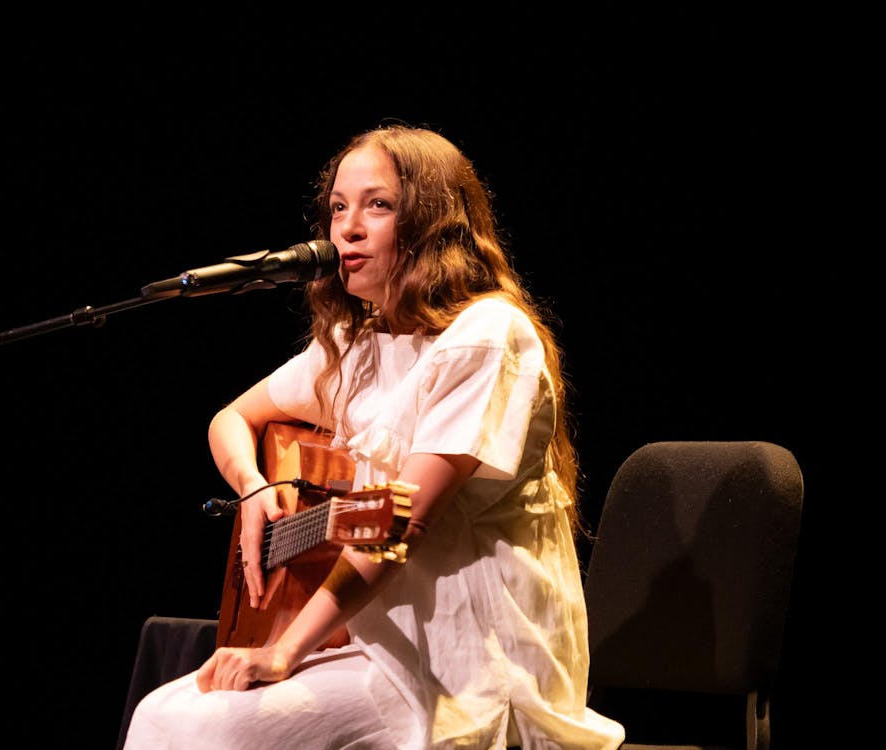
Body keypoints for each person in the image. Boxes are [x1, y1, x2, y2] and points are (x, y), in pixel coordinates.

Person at [122, 123, 625, 749]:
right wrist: (253, 488)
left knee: (207, 728)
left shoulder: (488, 333)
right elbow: (231, 418)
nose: (346, 229)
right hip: (378, 645)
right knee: (163, 709)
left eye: (377, 205)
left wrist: (283, 652)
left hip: (469, 664)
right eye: (337, 208)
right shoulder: (354, 345)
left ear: (433, 221)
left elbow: (395, 523)